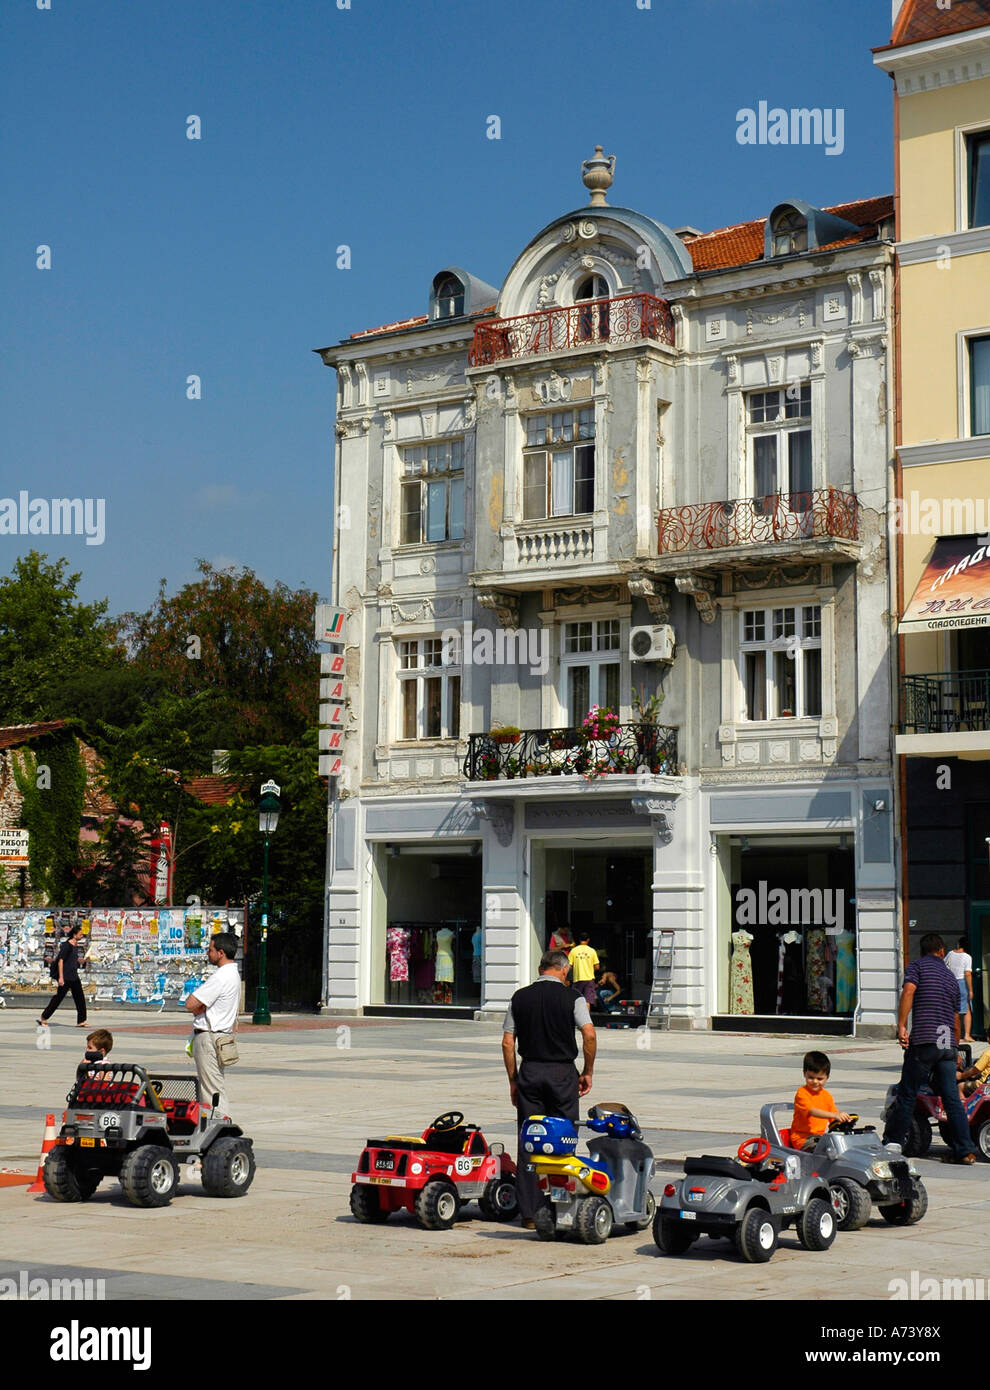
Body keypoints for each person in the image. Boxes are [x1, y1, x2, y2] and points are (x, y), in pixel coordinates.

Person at [501, 949, 597, 1228]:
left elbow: (508, 1042)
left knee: (530, 1139)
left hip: (530, 1071)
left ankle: (530, 1213)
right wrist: (588, 1071)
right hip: (562, 1073)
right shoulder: (573, 997)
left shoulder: (520, 997)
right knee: (563, 1138)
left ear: (541, 967)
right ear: (565, 970)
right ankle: (561, 1207)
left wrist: (513, 1079)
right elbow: (589, 1033)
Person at [882, 932, 977, 1164]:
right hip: (947, 1044)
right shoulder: (949, 977)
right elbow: (956, 1018)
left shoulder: (917, 967)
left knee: (908, 1092)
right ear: (942, 952)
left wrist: (902, 1025)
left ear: (923, 951)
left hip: (925, 1039)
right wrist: (955, 1049)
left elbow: (909, 991)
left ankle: (893, 1143)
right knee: (951, 1097)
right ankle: (965, 1149)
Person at [184, 932, 240, 1115]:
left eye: (210, 950)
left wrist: (199, 1007)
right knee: (213, 1083)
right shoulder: (233, 974)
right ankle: (214, 1123)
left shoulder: (221, 976)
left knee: (211, 1089)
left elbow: (191, 1003)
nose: (208, 954)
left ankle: (219, 1126)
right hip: (222, 1036)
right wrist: (201, 1007)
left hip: (209, 1036)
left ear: (221, 952)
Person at [789, 1050, 852, 1150]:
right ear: (804, 1074)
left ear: (827, 1077)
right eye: (811, 1077)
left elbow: (833, 1118)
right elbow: (813, 1111)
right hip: (803, 1139)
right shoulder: (802, 1093)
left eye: (819, 1079)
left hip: (819, 1138)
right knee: (828, 1152)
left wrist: (845, 1121)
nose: (815, 1082)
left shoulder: (826, 1095)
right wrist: (835, 1115)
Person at [38, 925, 89, 1028]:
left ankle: (81, 1020)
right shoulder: (67, 945)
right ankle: (44, 1017)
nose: (82, 935)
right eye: (80, 934)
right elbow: (60, 961)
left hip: (74, 976)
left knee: (80, 998)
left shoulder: (76, 945)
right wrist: (61, 977)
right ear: (74, 935)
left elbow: (71, 960)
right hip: (65, 976)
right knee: (58, 998)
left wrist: (82, 961)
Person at [945, 937, 974, 1043]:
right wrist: (970, 990)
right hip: (962, 983)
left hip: (950, 982)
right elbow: (967, 973)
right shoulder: (967, 957)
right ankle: (966, 1035)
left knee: (952, 1009)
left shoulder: (949, 954)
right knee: (966, 1010)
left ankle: (953, 1034)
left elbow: (944, 967)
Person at [567, 931, 600, 1007]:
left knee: (576, 1001)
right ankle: (586, 1018)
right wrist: (589, 970)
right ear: (588, 940)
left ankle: (576, 1018)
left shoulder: (573, 951)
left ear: (579, 940)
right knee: (587, 1001)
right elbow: (597, 967)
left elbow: (569, 966)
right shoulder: (592, 951)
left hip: (577, 979)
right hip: (589, 979)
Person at [957, 1034, 990, 1099]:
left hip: (985, 1087)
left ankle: (965, 1107)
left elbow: (975, 1071)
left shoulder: (987, 1054)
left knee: (960, 1086)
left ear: (988, 1038)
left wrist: (961, 1076)